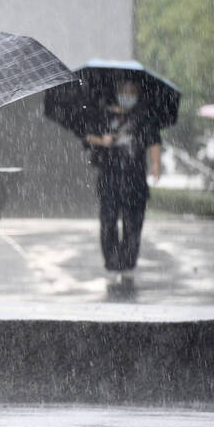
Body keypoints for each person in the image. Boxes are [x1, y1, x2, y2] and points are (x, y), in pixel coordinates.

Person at [83, 80, 162, 287]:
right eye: (124, 91)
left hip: (135, 178)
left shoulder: (144, 117)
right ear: (117, 93)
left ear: (137, 95)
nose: (127, 95)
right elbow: (88, 136)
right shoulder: (103, 115)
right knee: (108, 221)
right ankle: (112, 261)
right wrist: (102, 141)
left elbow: (154, 141)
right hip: (109, 177)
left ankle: (127, 261)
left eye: (132, 92)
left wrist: (156, 164)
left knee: (133, 222)